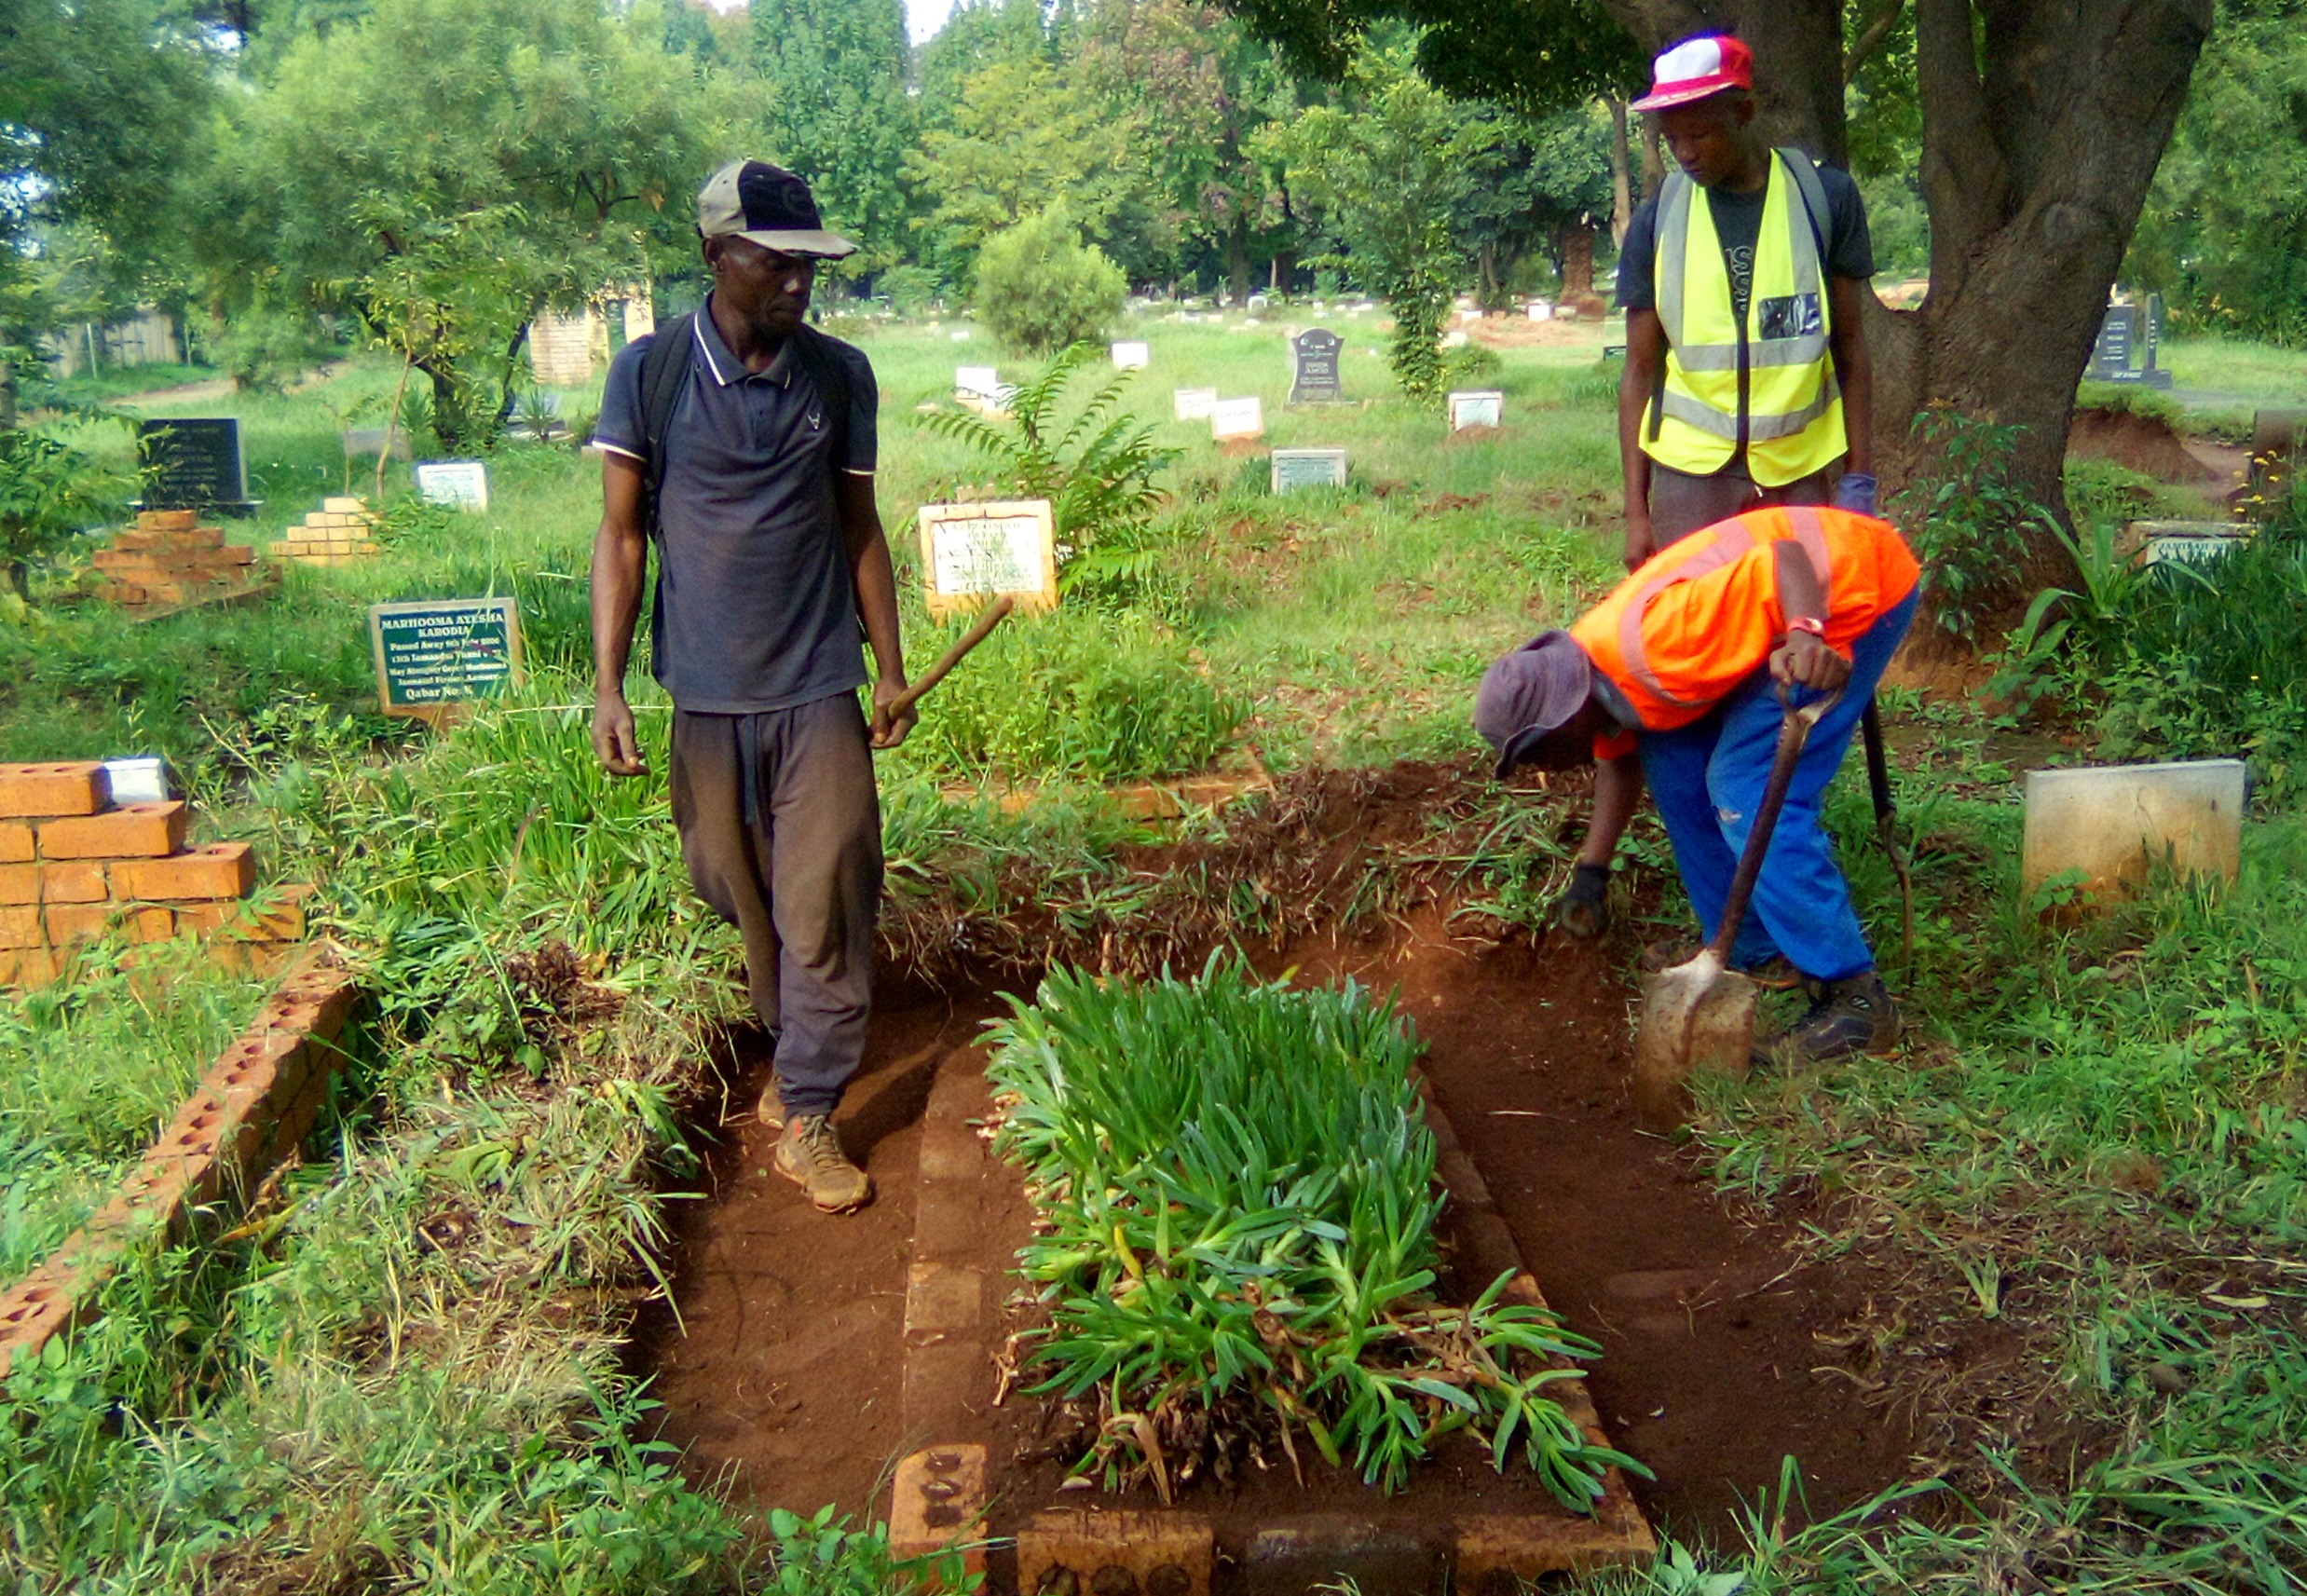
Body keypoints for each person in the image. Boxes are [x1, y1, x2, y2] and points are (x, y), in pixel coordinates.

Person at [589, 159, 910, 1214]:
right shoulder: (650, 376)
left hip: (817, 685)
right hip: (706, 697)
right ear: (716, 255)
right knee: (742, 894)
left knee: (825, 898)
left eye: (809, 264)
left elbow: (860, 532)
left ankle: (811, 1109)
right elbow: (623, 539)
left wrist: (890, 670)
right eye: (776, 261)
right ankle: (792, 1053)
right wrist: (608, 687)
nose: (798, 282)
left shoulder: (838, 375)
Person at [1557, 32, 1880, 943]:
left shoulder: (1822, 199)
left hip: (1799, 479)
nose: (1685, 151)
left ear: (1743, 113)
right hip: (1692, 489)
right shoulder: (1659, 218)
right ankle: (1727, 933)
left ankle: (1782, 875)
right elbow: (1638, 376)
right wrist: (1635, 509)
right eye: (1670, 137)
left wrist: (1856, 481)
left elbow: (1853, 352)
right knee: (1677, 705)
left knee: (1791, 678)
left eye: (1699, 131)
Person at [1474, 504, 1919, 1066]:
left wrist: (1805, 634)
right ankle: (1752, 947)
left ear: (1563, 717)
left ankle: (1854, 993)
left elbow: (1785, 557)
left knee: (1744, 785)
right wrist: (1591, 873)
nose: (1548, 767)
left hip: (1851, 586)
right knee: (1670, 757)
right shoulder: (1593, 681)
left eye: (1536, 752)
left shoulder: (1658, 642)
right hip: (1782, 608)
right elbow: (1619, 764)